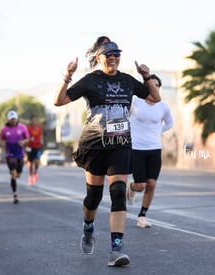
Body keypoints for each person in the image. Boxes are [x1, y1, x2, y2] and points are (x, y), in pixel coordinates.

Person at [54, 36, 161, 267]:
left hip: (120, 145)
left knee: (118, 192)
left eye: (116, 54)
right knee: (93, 197)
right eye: (108, 55)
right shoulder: (90, 81)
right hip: (94, 146)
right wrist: (67, 75)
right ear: (98, 58)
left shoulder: (127, 80)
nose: (113, 58)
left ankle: (116, 249)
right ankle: (88, 226)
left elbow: (155, 97)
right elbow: (59, 100)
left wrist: (146, 76)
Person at [126, 74, 173, 228]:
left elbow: (169, 123)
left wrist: (155, 133)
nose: (154, 88)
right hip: (136, 148)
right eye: (151, 85)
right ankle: (132, 188)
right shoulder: (135, 102)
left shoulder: (163, 106)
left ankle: (142, 216)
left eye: (157, 86)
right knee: (141, 185)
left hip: (154, 148)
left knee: (151, 184)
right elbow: (123, 118)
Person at [0, 110, 30, 204]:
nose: (13, 121)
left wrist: (23, 142)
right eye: (11, 119)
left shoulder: (23, 127)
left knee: (18, 175)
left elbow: (27, 138)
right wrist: (3, 143)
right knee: (13, 174)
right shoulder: (4, 129)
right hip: (10, 154)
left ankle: (15, 176)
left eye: (14, 119)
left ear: (16, 119)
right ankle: (15, 195)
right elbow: (1, 139)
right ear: (8, 120)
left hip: (20, 153)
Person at [26, 115, 43, 185]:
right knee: (30, 164)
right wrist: (29, 139)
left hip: (37, 147)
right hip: (29, 147)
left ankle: (35, 173)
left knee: (37, 161)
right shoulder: (28, 128)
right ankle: (30, 177)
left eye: (35, 120)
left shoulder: (39, 128)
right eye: (33, 120)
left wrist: (42, 141)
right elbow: (25, 137)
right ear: (31, 121)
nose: (34, 121)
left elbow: (41, 136)